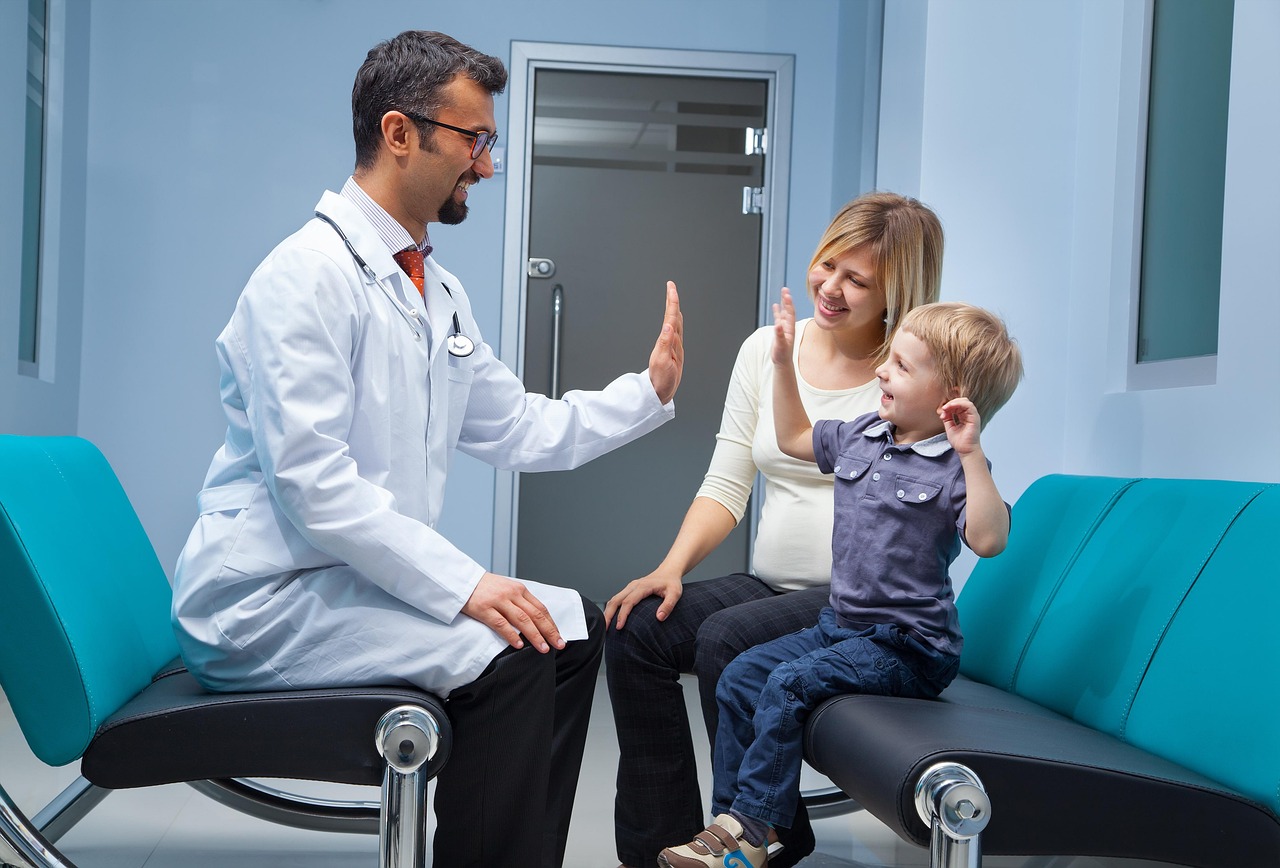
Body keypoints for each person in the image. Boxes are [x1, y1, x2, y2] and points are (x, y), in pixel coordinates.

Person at [169, 30, 684, 868]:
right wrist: (467, 586)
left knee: (574, 629)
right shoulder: (302, 278)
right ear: (400, 133)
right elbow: (314, 488)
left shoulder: (433, 288)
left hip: (350, 587)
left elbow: (518, 425)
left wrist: (646, 395)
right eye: (474, 140)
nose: (485, 166)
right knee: (515, 656)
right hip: (266, 601)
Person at [604, 193, 944, 868]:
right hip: (770, 586)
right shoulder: (768, 349)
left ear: (897, 292)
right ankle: (657, 851)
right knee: (637, 625)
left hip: (857, 604)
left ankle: (754, 834)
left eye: (859, 280)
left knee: (724, 639)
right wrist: (669, 567)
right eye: (828, 265)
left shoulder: (911, 377)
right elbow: (728, 481)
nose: (831, 287)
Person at [657, 297, 1023, 868]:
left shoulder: (954, 469)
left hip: (910, 649)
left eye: (902, 366)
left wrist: (972, 454)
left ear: (950, 396)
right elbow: (794, 436)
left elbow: (989, 539)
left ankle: (753, 830)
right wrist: (781, 364)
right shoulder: (866, 434)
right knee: (737, 677)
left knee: (787, 684)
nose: (882, 370)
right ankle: (733, 836)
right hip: (840, 628)